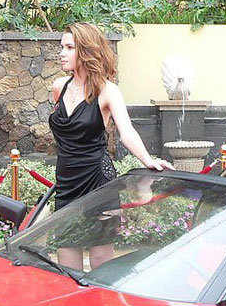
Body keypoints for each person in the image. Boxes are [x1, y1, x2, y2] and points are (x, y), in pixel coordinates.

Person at [50, 22, 173, 270]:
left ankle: (100, 295)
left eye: (69, 47)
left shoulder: (107, 91)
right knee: (67, 259)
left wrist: (147, 160)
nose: (62, 53)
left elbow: (127, 132)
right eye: (62, 47)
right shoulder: (58, 87)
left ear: (86, 50)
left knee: (100, 260)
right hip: (66, 181)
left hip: (97, 180)